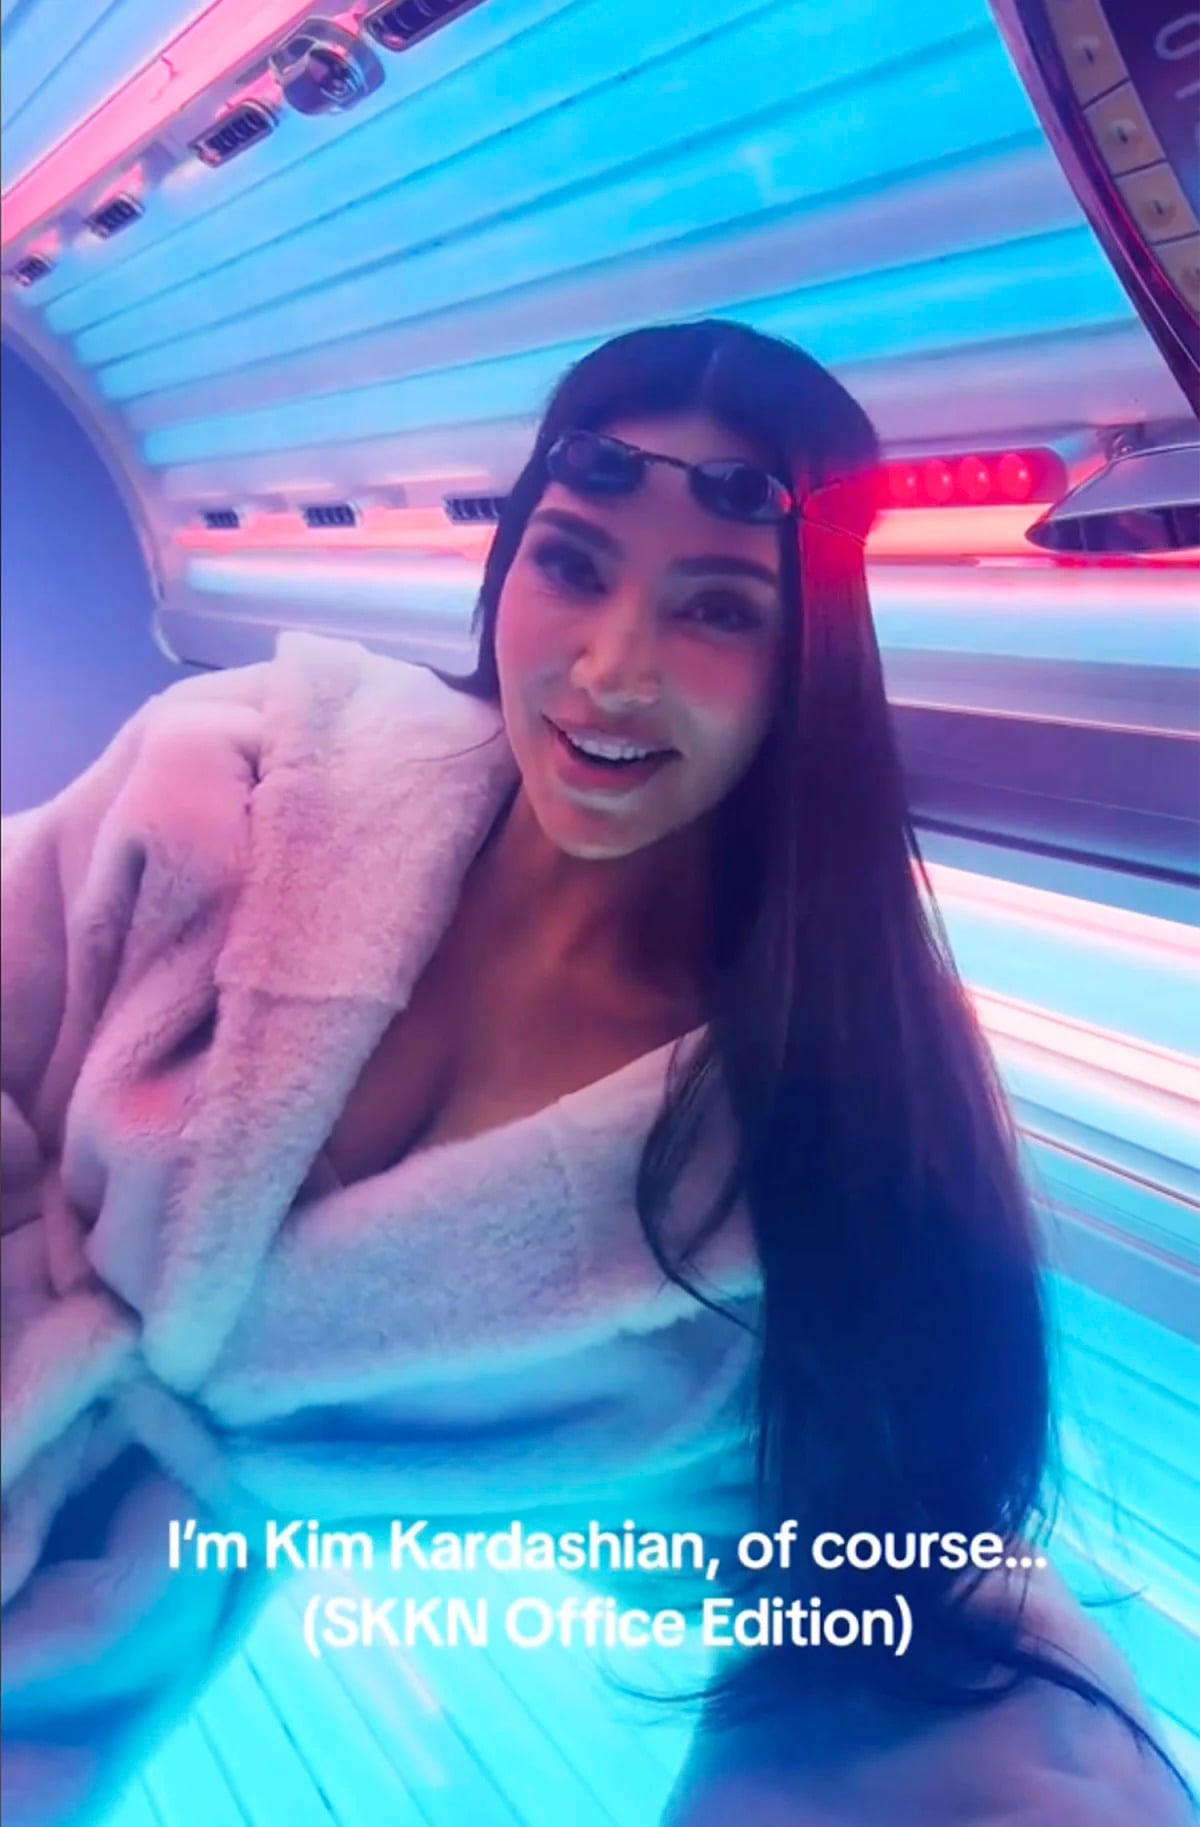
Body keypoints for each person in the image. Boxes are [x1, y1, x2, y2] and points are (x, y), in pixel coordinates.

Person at [0, 320, 1191, 1826]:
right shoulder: (239, 771)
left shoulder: (796, 1142)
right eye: (571, 564)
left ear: (807, 660)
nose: (613, 673)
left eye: (717, 609)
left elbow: (885, 1569)